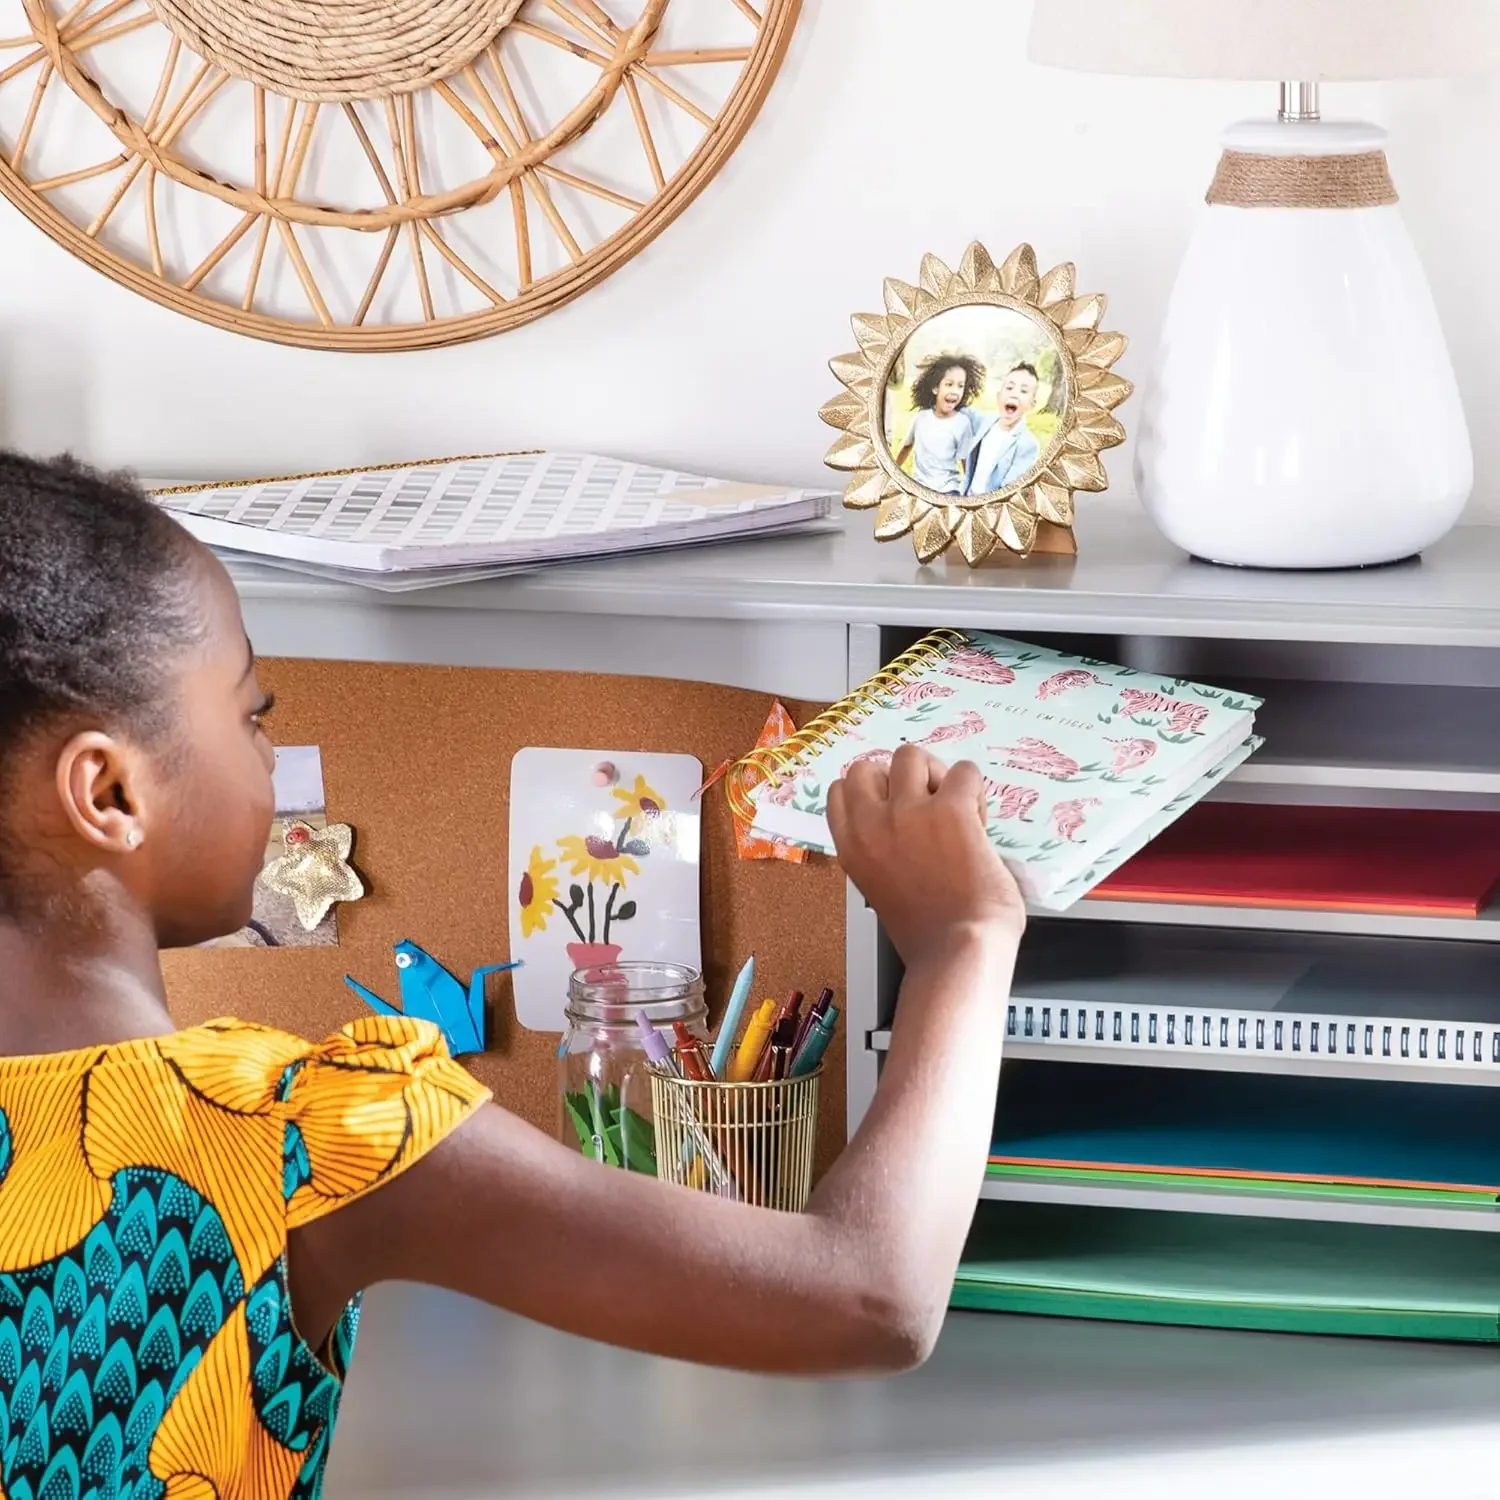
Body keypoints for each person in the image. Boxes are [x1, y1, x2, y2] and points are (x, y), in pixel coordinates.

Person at [0, 452, 1025, 1498]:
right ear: (111, 790)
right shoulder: (298, 1134)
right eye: (252, 714)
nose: (269, 758)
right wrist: (959, 942)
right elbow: (870, 1297)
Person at [892, 352, 987, 494]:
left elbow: (965, 461)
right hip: (920, 488)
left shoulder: (962, 423)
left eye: (960, 386)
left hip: (949, 489)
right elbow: (906, 446)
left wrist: (972, 492)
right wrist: (892, 474)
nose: (955, 391)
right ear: (935, 388)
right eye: (949, 384)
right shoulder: (921, 418)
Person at [966, 362, 1042, 495]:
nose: (1014, 394)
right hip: (967, 497)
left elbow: (1011, 488)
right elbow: (962, 411)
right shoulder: (985, 422)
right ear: (998, 396)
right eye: (1009, 387)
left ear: (1032, 404)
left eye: (1023, 391)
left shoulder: (1027, 444)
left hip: (992, 507)